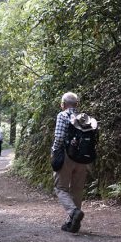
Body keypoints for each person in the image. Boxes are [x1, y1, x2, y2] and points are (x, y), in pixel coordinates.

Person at [52, 91, 87, 233]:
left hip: (67, 155)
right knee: (77, 190)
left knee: (61, 188)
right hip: (83, 158)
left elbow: (59, 137)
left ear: (63, 104)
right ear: (77, 104)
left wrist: (54, 152)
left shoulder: (63, 115)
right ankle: (72, 223)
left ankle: (73, 212)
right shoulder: (84, 117)